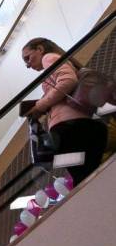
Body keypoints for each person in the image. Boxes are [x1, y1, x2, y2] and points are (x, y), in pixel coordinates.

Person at [23, 37, 109, 184]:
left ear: (40, 49)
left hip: (70, 129)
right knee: (88, 176)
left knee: (83, 180)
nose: (27, 65)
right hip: (83, 125)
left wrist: (40, 106)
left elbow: (68, 81)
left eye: (28, 58)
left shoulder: (48, 58)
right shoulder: (60, 61)